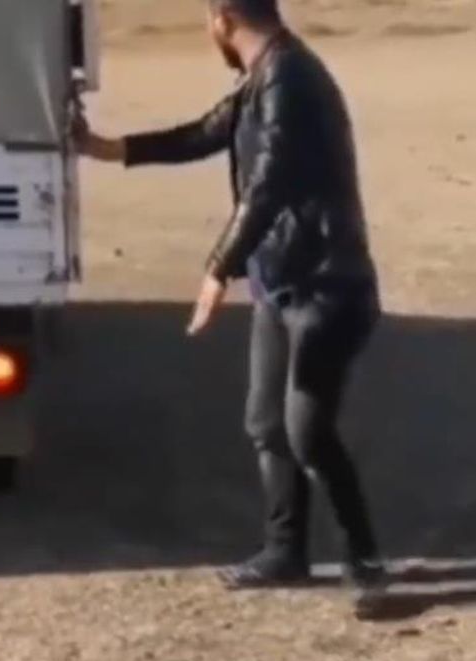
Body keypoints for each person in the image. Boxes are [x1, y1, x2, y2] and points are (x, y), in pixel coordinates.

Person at [76, 0, 387, 600]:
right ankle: (284, 552)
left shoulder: (290, 79)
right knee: (267, 423)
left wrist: (217, 269)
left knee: (307, 431)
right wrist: (108, 148)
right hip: (280, 281)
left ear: (223, 19)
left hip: (327, 285)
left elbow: (269, 183)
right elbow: (205, 132)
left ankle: (366, 560)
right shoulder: (264, 76)